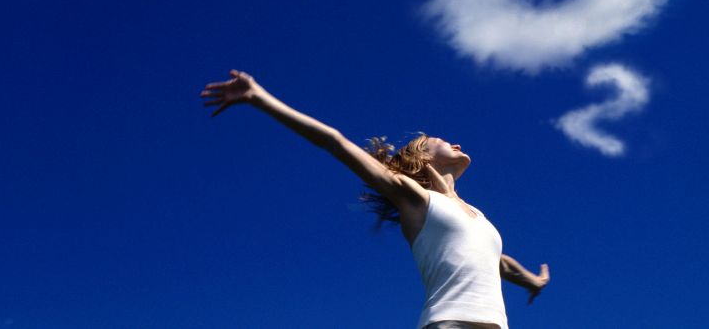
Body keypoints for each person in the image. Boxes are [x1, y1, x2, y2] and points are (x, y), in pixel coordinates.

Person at [201, 70, 550, 329]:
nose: (456, 143)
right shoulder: (415, 198)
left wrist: (533, 281)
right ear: (422, 157)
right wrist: (259, 97)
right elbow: (335, 142)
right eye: (442, 142)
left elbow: (498, 262)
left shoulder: (477, 215)